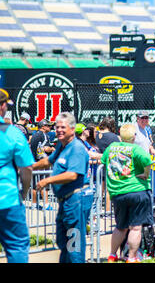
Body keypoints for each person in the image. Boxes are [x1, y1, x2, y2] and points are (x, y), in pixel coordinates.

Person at [33, 112, 90, 263]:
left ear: (72, 129)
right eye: (57, 127)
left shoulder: (76, 148)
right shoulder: (61, 145)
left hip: (76, 201)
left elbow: (72, 175)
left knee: (74, 245)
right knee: (62, 241)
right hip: (65, 201)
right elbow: (49, 161)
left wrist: (48, 180)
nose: (59, 130)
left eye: (63, 127)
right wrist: (29, 167)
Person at [102, 124, 154, 263]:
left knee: (120, 227)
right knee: (135, 228)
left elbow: (103, 160)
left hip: (117, 192)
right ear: (134, 137)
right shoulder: (136, 149)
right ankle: (131, 257)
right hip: (136, 190)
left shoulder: (111, 148)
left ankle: (112, 255)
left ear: (120, 135)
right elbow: (148, 161)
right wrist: (145, 174)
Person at [0, 88, 34, 263]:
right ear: (3, 106)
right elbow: (27, 168)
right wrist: (24, 190)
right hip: (8, 199)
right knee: (17, 247)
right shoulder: (13, 133)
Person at [29, 119, 55, 210]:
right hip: (42, 163)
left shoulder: (34, 135)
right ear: (43, 126)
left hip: (34, 162)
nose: (50, 127)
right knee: (45, 183)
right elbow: (44, 148)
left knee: (35, 184)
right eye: (48, 125)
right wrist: (52, 149)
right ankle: (46, 204)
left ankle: (34, 204)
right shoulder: (44, 135)